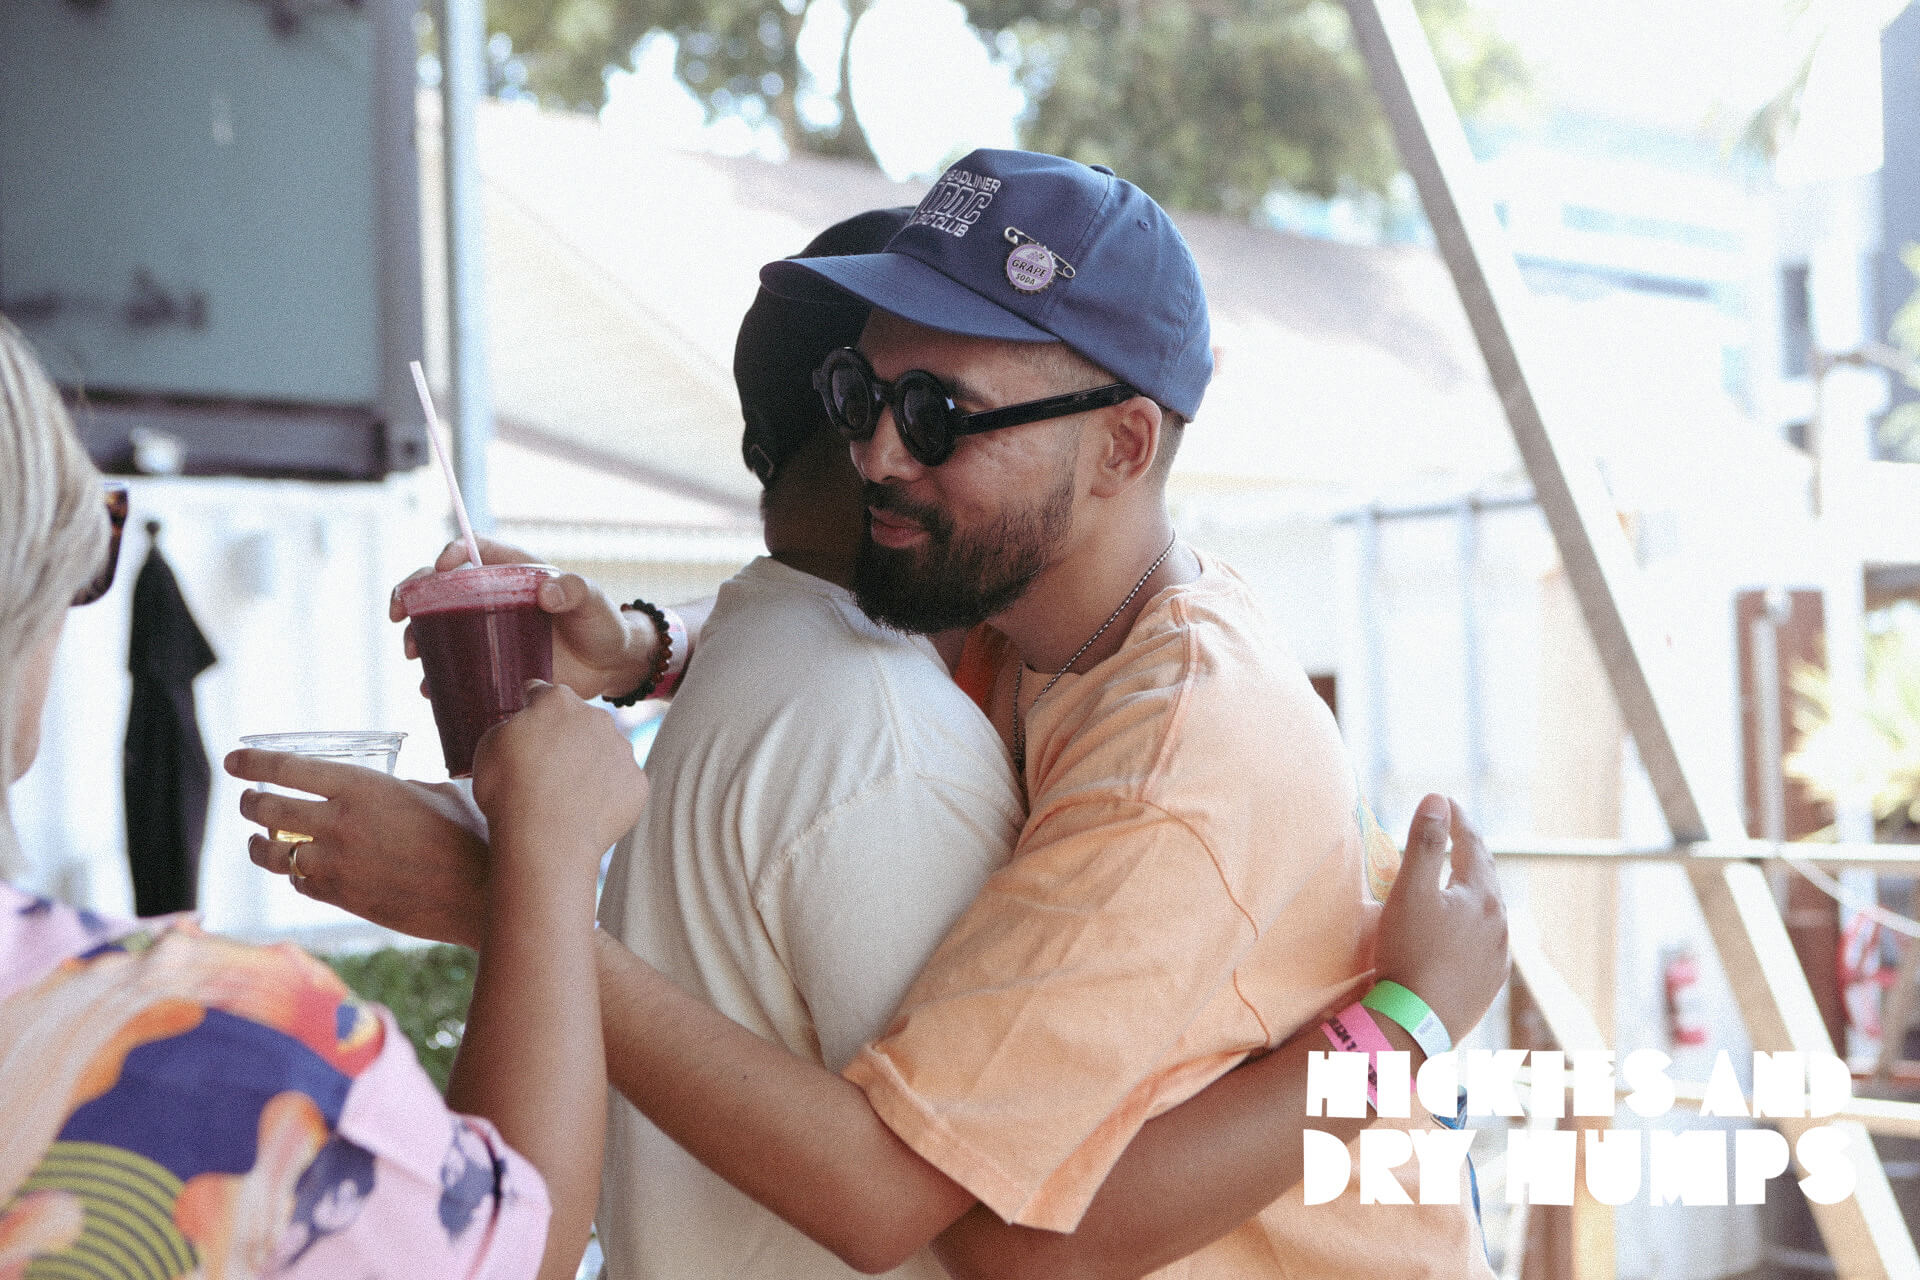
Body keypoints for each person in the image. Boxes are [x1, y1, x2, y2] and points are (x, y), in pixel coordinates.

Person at [232, 183, 1507, 1278]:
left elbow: (991, 1235)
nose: (879, 455)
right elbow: (838, 600)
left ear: (1123, 445)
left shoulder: (1171, 766)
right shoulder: (1048, 598)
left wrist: (1408, 1024)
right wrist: (643, 646)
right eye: (859, 392)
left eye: (940, 414)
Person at [0, 317, 636, 1280]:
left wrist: (646, 650)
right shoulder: (224, 1050)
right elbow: (514, 1248)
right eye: (83, 551)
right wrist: (543, 855)